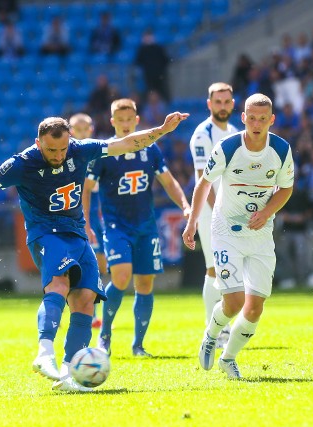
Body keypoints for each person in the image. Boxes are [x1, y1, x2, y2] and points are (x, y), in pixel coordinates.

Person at [0, 111, 189, 391]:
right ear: (38, 142)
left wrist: (162, 130)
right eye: (51, 150)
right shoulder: (23, 163)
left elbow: (127, 143)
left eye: (62, 149)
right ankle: (45, 353)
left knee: (84, 299)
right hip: (46, 234)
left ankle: (71, 375)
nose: (58, 155)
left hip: (77, 234)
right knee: (59, 285)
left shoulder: (80, 150)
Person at [182, 93, 294, 379]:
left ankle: (228, 358)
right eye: (251, 118)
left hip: (259, 234)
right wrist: (192, 222)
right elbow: (203, 185)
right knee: (233, 301)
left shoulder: (281, 150)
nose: (256, 124)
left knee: (255, 307)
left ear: (271, 120)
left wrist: (267, 211)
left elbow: (285, 188)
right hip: (225, 229)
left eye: (262, 119)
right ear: (243, 118)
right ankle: (211, 334)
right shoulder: (228, 147)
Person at [83, 98, 191, 358]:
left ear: (137, 120)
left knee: (144, 282)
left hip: (145, 225)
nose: (125, 125)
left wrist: (186, 205)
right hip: (116, 225)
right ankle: (105, 335)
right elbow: (86, 189)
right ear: (112, 122)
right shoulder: (105, 151)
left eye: (129, 120)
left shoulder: (150, 150)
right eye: (120, 121)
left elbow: (168, 181)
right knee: (120, 277)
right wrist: (85, 222)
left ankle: (138, 345)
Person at [188, 82, 239, 349]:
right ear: (209, 104)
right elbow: (202, 181)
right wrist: (221, 210)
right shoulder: (202, 135)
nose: (222, 106)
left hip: (232, 212)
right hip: (211, 211)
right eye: (217, 102)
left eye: (226, 101)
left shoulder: (233, 132)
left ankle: (223, 327)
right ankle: (214, 330)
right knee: (214, 268)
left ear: (232, 103)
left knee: (229, 267)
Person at [70, 113, 106, 330]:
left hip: (99, 216)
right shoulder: (68, 155)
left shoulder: (99, 153)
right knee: (82, 264)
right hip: (78, 217)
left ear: (91, 130)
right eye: (78, 129)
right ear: (71, 131)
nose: (83, 133)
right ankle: (84, 311)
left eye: (86, 129)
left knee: (100, 264)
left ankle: (94, 311)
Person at [134, 29, 171, 102]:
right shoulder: (142, 49)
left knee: (162, 92)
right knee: (150, 92)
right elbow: (137, 61)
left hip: (160, 75)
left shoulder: (158, 48)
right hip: (149, 76)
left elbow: (166, 60)